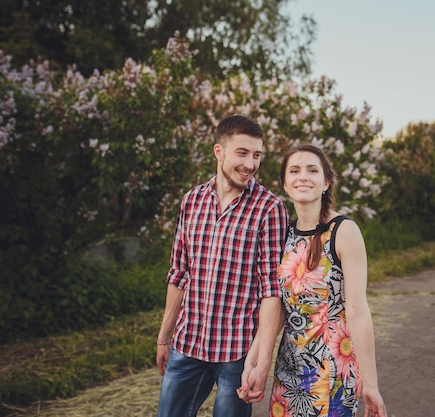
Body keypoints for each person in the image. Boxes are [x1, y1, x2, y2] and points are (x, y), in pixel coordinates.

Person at [239, 144, 388, 417]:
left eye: (312, 170)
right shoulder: (283, 235)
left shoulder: (344, 231)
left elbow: (357, 312)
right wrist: (254, 361)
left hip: (332, 369)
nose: (302, 177)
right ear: (285, 183)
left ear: (325, 182)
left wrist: (371, 385)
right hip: (289, 370)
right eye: (294, 171)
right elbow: (279, 308)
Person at [155, 114, 289, 417]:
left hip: (237, 351)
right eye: (242, 153)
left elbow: (272, 290)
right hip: (187, 345)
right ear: (219, 151)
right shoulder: (191, 201)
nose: (250, 164)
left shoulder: (269, 208)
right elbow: (179, 274)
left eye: (256, 155)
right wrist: (165, 337)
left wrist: (262, 360)